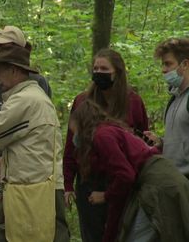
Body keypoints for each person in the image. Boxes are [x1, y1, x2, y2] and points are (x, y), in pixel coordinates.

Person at [0, 25, 69, 242]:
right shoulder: (23, 94)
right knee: (0, 231)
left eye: (0, 68)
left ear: (15, 69)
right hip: (25, 182)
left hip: (34, 187)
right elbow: (12, 132)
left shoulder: (27, 97)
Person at [69, 100, 189, 242]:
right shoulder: (107, 134)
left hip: (159, 184)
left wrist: (105, 196)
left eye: (75, 132)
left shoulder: (102, 136)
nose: (74, 138)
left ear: (83, 125)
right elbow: (120, 194)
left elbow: (125, 177)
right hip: (157, 181)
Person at [63, 49, 150, 242]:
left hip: (122, 180)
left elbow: (142, 141)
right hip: (89, 179)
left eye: (104, 68)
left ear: (117, 72)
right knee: (93, 235)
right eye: (95, 68)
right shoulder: (82, 101)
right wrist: (68, 183)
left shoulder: (133, 102)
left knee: (121, 233)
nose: (99, 72)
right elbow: (72, 145)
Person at [144, 38, 189, 178]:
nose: (163, 70)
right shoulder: (173, 99)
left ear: (185, 64)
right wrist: (161, 142)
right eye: (163, 64)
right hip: (175, 179)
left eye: (168, 64)